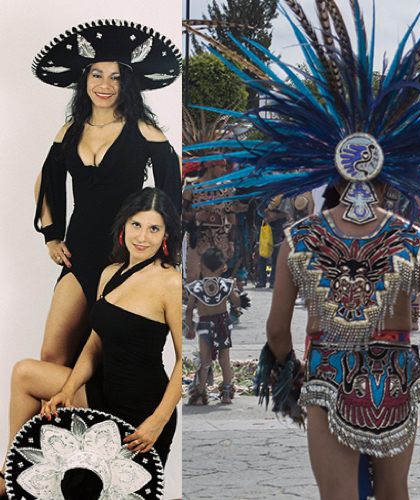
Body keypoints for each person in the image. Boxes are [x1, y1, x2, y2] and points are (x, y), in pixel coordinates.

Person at [187, 1, 420, 496]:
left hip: (327, 377)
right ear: (391, 173)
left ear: (331, 171)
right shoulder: (415, 239)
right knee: (394, 493)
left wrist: (291, 376)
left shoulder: (297, 239)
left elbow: (277, 329)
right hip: (397, 380)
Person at [3, 187, 183, 496]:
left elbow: (186, 362)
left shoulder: (171, 283)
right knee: (25, 373)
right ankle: (7, 474)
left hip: (142, 410)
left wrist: (157, 421)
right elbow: (94, 344)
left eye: (154, 228)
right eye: (136, 225)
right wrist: (68, 389)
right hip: (103, 393)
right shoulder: (110, 273)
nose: (143, 237)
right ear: (123, 226)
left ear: (166, 234)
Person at [32, 20, 182, 369]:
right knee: (53, 356)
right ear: (84, 80)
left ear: (126, 83)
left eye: (115, 76)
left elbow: (171, 194)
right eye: (97, 74)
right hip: (79, 252)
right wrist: (52, 238)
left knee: (108, 358)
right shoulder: (69, 131)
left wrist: (160, 250)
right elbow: (45, 184)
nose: (105, 84)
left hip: (125, 255)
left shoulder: (145, 131)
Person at [185, 247, 244, 405]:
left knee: (205, 361)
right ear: (223, 267)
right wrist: (236, 288)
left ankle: (199, 396)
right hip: (223, 323)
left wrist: (190, 327)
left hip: (204, 325)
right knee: (224, 360)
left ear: (200, 266)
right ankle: (226, 394)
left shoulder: (195, 288)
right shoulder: (227, 284)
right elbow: (237, 302)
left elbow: (189, 310)